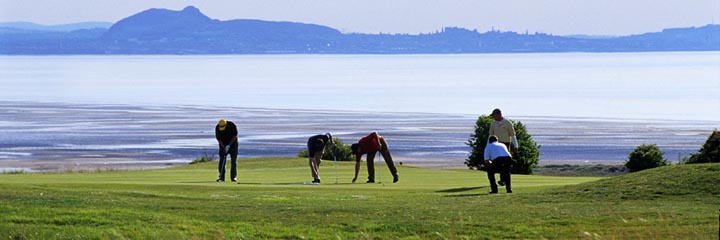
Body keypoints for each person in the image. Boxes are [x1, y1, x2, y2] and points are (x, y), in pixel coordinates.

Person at [489, 108, 519, 186]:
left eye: (494, 115)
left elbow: (513, 135)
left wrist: (516, 146)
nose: (494, 117)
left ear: (499, 114)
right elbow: (490, 135)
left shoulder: (507, 123)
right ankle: (502, 179)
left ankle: (503, 180)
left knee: (505, 163)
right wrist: (488, 145)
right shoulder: (493, 123)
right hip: (495, 145)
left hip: (505, 145)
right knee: (497, 162)